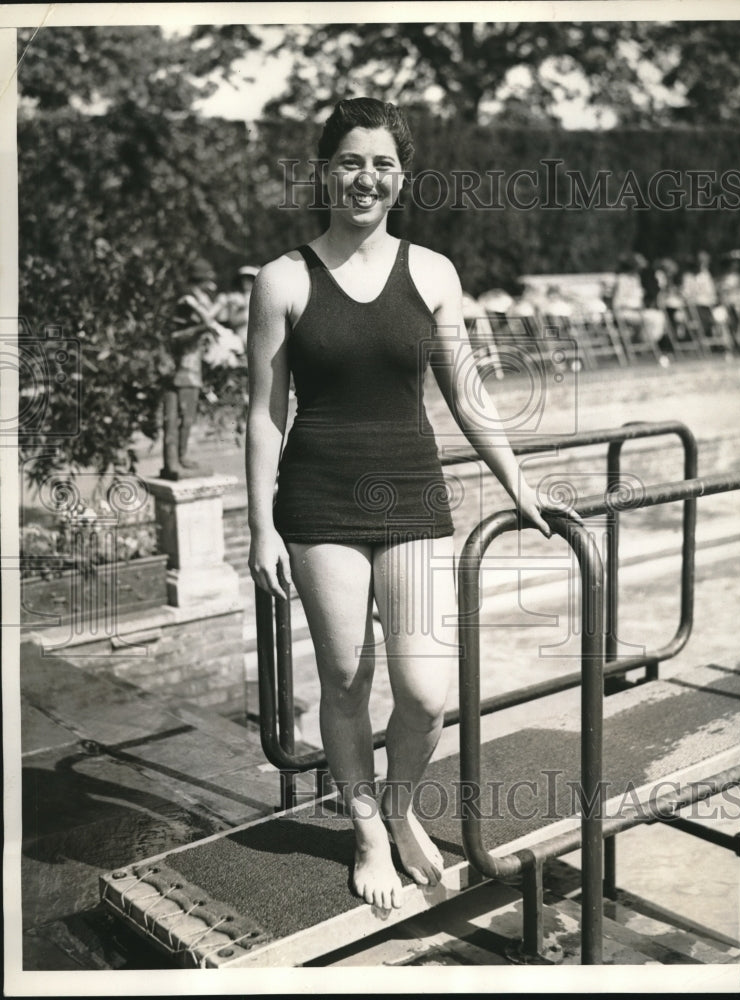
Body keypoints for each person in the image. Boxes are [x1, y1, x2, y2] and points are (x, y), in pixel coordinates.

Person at [246, 98, 560, 912]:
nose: (366, 176)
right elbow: (262, 413)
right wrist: (259, 527)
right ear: (325, 170)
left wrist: (518, 484)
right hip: (318, 503)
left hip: (413, 497)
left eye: (382, 163)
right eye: (350, 160)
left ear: (401, 176)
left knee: (425, 693)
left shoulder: (432, 272)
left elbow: (469, 392)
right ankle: (368, 834)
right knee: (346, 680)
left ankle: (401, 803)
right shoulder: (283, 278)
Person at [161, 259, 222, 479]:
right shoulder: (187, 303)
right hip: (183, 369)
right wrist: (201, 329)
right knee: (180, 419)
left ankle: (179, 458)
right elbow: (174, 337)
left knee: (183, 419)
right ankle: (176, 460)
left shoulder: (196, 302)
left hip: (190, 367)